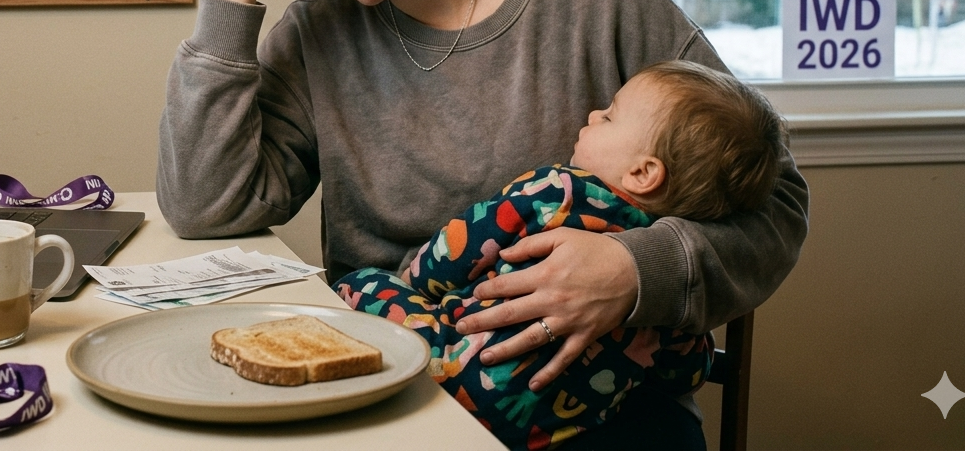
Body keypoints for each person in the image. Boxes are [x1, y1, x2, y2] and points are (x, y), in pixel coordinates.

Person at [157, 0, 808, 448]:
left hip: (600, 406)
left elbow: (776, 203)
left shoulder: (602, 0)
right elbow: (203, 207)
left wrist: (635, 270)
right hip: (388, 399)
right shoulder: (317, 36)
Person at [336, 60, 787, 449]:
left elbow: (462, 246)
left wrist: (413, 286)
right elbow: (686, 373)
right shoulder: (668, 299)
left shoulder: (558, 190)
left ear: (643, 172)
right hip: (544, 432)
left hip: (453, 370)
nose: (592, 114)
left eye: (609, 117)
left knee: (361, 283)